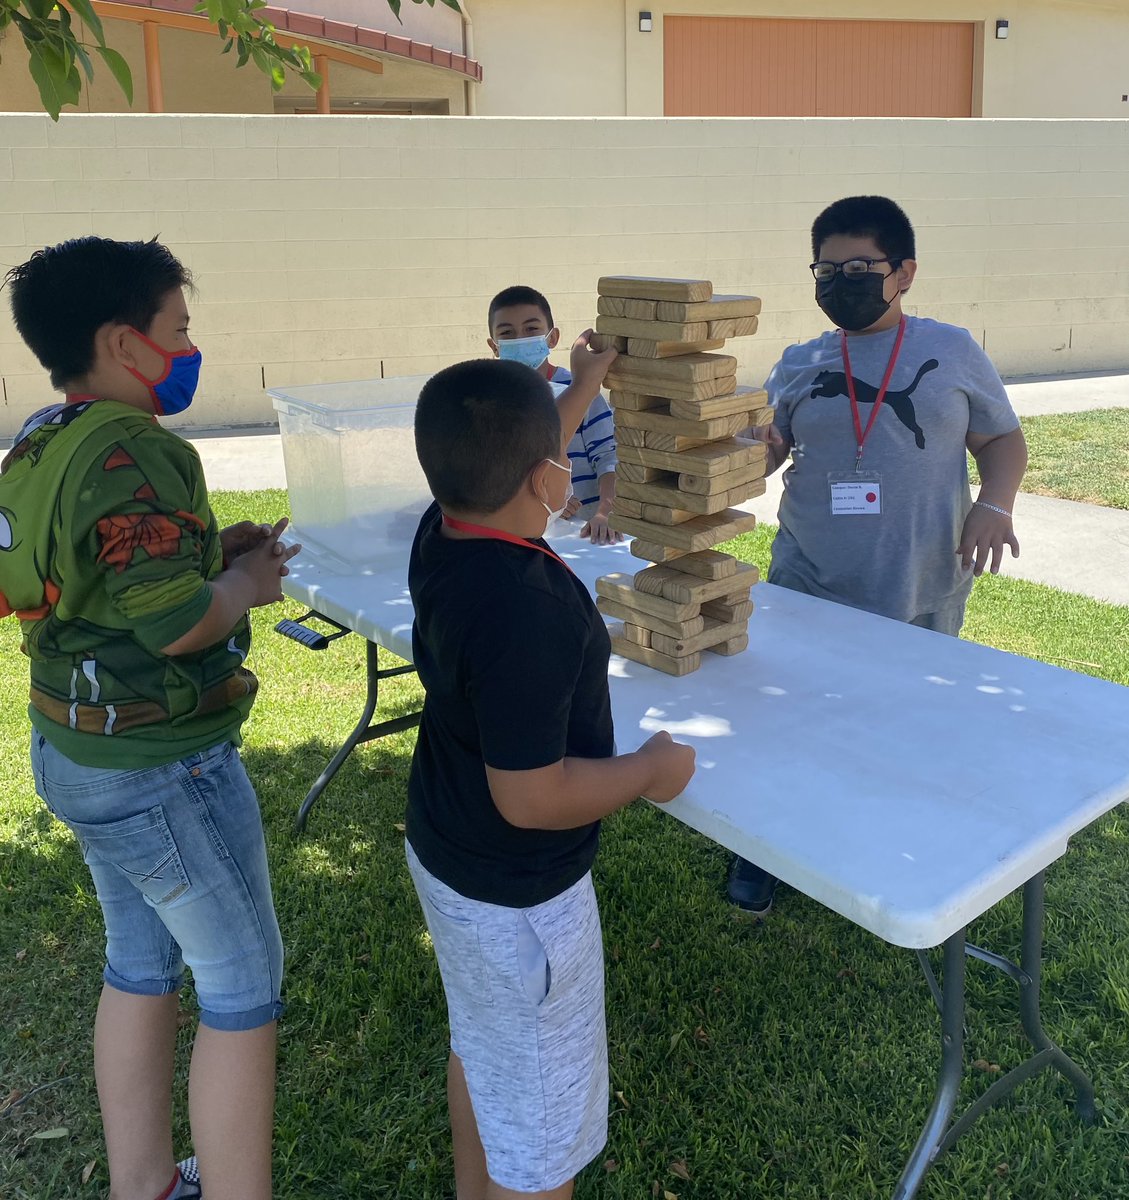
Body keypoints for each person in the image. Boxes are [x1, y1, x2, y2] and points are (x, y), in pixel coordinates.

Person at [0, 237, 299, 1200]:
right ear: (126, 344)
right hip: (161, 767)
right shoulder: (141, 449)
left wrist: (216, 553)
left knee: (139, 961)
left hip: (77, 748)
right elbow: (174, 622)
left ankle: (146, 1186)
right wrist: (243, 586)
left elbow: (102, 575)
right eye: (179, 331)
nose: (188, 348)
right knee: (243, 987)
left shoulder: (48, 435)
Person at [407, 351, 696, 1200]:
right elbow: (532, 795)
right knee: (540, 1121)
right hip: (520, 901)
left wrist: (585, 384)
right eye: (557, 459)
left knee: (490, 1052)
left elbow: (523, 454)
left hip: (449, 852)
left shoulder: (444, 526)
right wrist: (647, 770)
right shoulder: (523, 608)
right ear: (545, 478)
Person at [727, 195, 1028, 914]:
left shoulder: (950, 350)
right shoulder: (801, 362)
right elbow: (765, 457)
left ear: (904, 273)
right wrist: (732, 446)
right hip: (809, 582)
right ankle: (761, 850)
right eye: (826, 269)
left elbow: (1000, 440)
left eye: (860, 266)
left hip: (919, 582)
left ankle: (885, 848)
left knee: (908, 721)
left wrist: (993, 504)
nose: (841, 281)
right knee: (786, 717)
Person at [487, 284, 622, 544]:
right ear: (494, 346)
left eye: (531, 329)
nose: (519, 339)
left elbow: (608, 458)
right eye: (507, 333)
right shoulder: (490, 404)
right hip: (528, 538)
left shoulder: (580, 391)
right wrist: (546, 499)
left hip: (587, 535)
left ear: (552, 337)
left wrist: (606, 513)